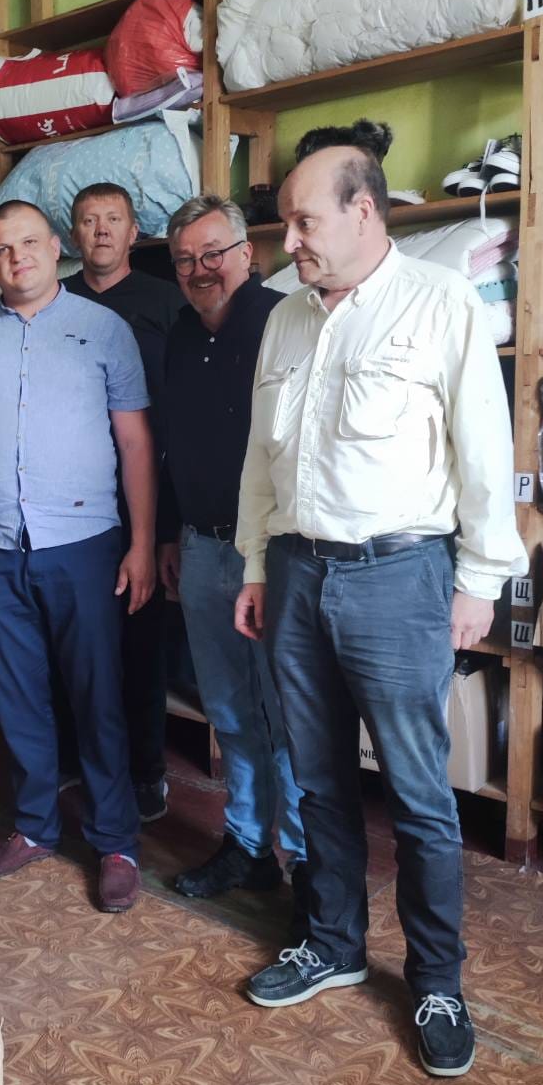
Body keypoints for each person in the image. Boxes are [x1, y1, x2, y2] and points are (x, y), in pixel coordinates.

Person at [233, 119, 525, 1078]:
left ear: (363, 211)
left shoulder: (440, 303)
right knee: (315, 777)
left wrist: (479, 579)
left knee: (416, 793)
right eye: (284, 224)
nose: (288, 242)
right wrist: (255, 566)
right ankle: (332, 943)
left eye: (304, 222)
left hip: (399, 577)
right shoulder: (285, 317)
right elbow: (260, 459)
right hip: (297, 570)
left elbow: (483, 450)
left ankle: (436, 980)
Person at [0, 200, 157, 913]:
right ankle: (34, 825)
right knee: (17, 695)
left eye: (28, 243)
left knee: (97, 695)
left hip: (84, 545)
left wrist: (142, 545)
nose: (16, 257)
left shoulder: (103, 329)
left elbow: (134, 443)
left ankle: (115, 841)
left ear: (55, 248)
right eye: (1, 249)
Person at [156, 194, 306, 929]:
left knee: (289, 717)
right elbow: (168, 441)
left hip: (272, 553)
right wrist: (168, 535)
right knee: (230, 713)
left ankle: (308, 866)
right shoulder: (180, 334)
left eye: (212, 253)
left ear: (247, 253)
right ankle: (248, 847)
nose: (200, 269)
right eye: (185, 259)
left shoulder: (284, 322)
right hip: (201, 546)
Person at [64, 182, 184, 823]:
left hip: (146, 502)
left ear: (135, 232)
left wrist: (165, 529)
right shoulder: (54, 301)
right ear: (73, 235)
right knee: (71, 643)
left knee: (139, 645)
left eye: (114, 219)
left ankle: (145, 772)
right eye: (89, 220)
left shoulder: (166, 302)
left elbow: (181, 416)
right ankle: (75, 761)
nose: (102, 230)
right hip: (69, 508)